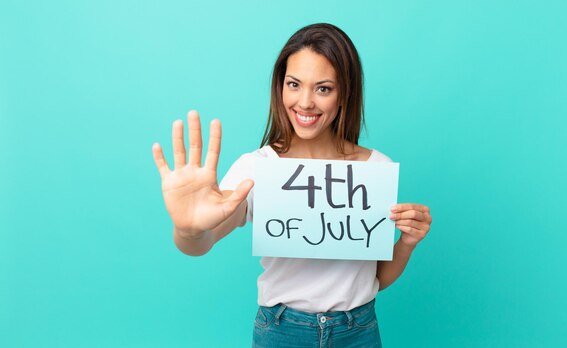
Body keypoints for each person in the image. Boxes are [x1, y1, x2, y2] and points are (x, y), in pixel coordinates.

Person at [152, 23, 432, 348]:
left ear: (345, 93)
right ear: (280, 86)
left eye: (323, 88)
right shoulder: (257, 168)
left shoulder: (375, 170)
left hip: (358, 330)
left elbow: (375, 280)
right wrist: (188, 229)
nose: (306, 102)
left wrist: (407, 243)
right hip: (283, 330)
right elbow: (200, 242)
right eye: (294, 84)